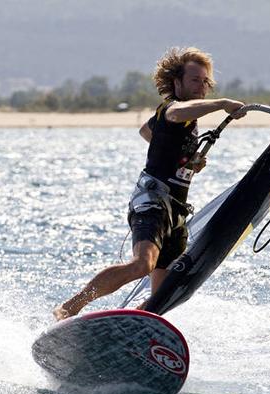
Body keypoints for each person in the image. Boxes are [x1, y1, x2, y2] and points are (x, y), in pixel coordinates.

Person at [53, 47, 245, 320]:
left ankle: (133, 321)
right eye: (194, 80)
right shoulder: (173, 109)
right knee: (142, 265)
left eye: (205, 82)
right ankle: (69, 307)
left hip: (176, 212)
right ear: (176, 83)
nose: (201, 86)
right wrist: (222, 103)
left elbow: (146, 132)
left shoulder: (180, 120)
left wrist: (183, 160)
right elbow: (178, 112)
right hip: (153, 203)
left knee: (162, 294)